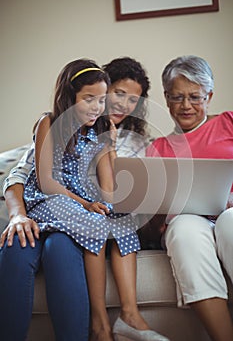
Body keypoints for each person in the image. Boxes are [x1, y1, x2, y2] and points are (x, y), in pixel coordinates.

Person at [0, 57, 169, 341]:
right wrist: (84, 205)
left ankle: (126, 317)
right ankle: (100, 323)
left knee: (119, 221)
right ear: (71, 96)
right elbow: (36, 178)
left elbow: (110, 192)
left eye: (101, 100)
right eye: (92, 98)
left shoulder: (111, 135)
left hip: (79, 206)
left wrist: (111, 149)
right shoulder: (50, 124)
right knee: (87, 223)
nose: (103, 106)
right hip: (52, 200)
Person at [146, 55, 233, 341]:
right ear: (166, 98)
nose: (186, 106)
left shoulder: (229, 123)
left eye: (195, 97)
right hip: (186, 218)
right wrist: (157, 208)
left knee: (228, 224)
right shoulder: (158, 148)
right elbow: (151, 219)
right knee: (183, 230)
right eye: (177, 97)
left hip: (230, 213)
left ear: (210, 96)